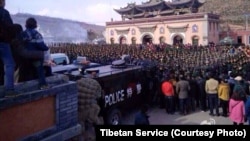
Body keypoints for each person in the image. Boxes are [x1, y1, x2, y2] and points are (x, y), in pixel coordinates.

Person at [21, 17, 50, 89]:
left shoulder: (22, 34)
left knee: (26, 71)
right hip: (36, 56)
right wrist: (46, 48)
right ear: (35, 25)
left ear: (26, 24)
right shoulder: (37, 34)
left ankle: (25, 87)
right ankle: (43, 85)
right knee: (40, 70)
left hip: (25, 56)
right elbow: (41, 45)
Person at [0, 0, 19, 98]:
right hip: (3, 42)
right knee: (9, 65)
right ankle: (9, 90)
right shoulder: (4, 13)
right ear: (1, 2)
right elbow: (10, 28)